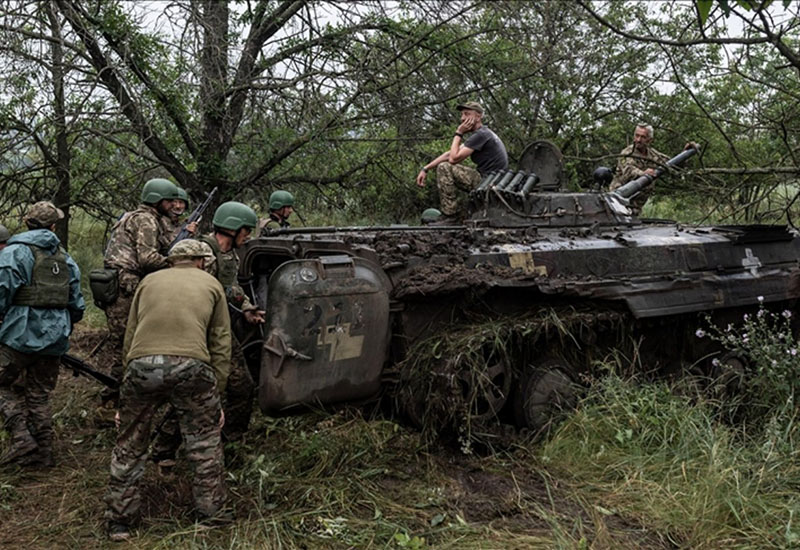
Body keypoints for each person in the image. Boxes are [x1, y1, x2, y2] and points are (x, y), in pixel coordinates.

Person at [104, 239, 231, 541]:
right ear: (201, 261)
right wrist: (217, 397)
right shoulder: (212, 285)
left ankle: (120, 523)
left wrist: (126, 394)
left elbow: (130, 337)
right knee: (203, 444)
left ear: (172, 261)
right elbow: (221, 342)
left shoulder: (148, 282)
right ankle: (212, 518)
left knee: (130, 444)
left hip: (141, 364)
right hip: (192, 365)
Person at [152, 201, 264, 468]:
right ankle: (164, 448)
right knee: (190, 390)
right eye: (246, 231)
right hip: (194, 330)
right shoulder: (200, 251)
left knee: (242, 387)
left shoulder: (230, 256)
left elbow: (230, 286)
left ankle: (230, 442)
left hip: (219, 330)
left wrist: (247, 308)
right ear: (233, 228)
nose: (248, 237)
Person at [0, 201, 85, 468]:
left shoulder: (14, 252)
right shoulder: (65, 257)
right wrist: (61, 326)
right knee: (39, 394)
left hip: (19, 335)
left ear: (27, 223)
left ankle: (22, 438)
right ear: (53, 226)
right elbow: (77, 304)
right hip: (54, 339)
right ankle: (43, 453)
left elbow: (2, 288)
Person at [102, 178, 180, 388]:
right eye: (169, 201)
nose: (174, 205)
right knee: (128, 344)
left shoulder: (133, 216)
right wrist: (177, 263)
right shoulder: (146, 220)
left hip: (119, 283)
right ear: (157, 201)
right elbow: (147, 258)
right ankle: (113, 400)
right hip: (125, 286)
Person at [416, 101, 508, 220]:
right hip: (489, 180)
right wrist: (426, 168)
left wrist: (459, 133)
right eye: (462, 115)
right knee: (445, 164)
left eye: (467, 114)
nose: (462, 118)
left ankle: (450, 215)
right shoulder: (482, 134)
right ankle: (456, 214)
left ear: (478, 116)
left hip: (489, 183)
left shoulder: (482, 135)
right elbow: (449, 154)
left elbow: (453, 159)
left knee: (444, 167)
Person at [609, 124, 696, 214]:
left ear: (649, 140)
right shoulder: (627, 153)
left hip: (635, 207)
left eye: (643, 137)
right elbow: (628, 170)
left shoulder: (654, 155)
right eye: (637, 135)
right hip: (617, 203)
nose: (638, 140)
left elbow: (671, 165)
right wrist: (642, 173)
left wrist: (685, 153)